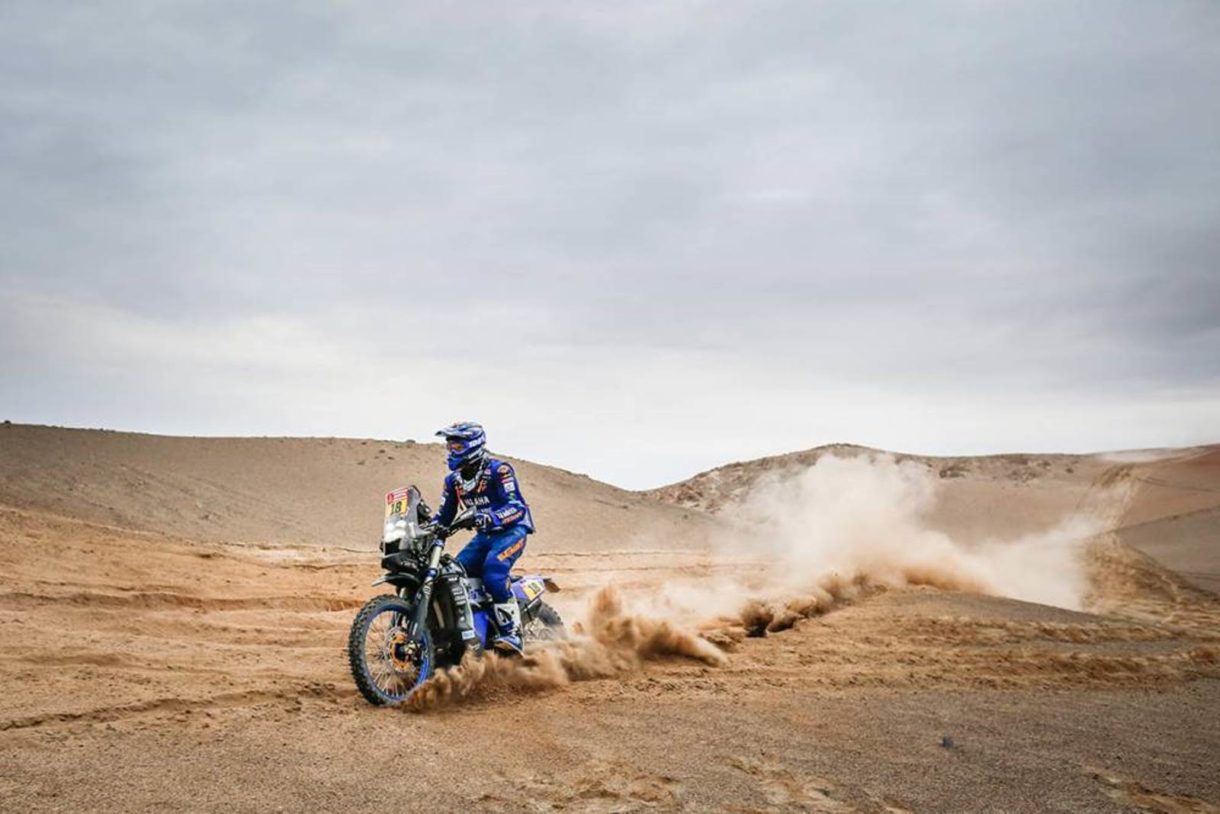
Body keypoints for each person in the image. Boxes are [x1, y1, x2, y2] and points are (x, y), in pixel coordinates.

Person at [431, 421, 534, 654]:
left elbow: (517, 507)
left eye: (457, 447)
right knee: (453, 573)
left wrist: (492, 518)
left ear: (473, 446)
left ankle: (512, 633)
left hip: (512, 531)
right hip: (484, 537)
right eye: (449, 448)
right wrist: (425, 528)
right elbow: (444, 516)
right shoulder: (454, 481)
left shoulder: (500, 470)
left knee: (493, 571)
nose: (451, 452)